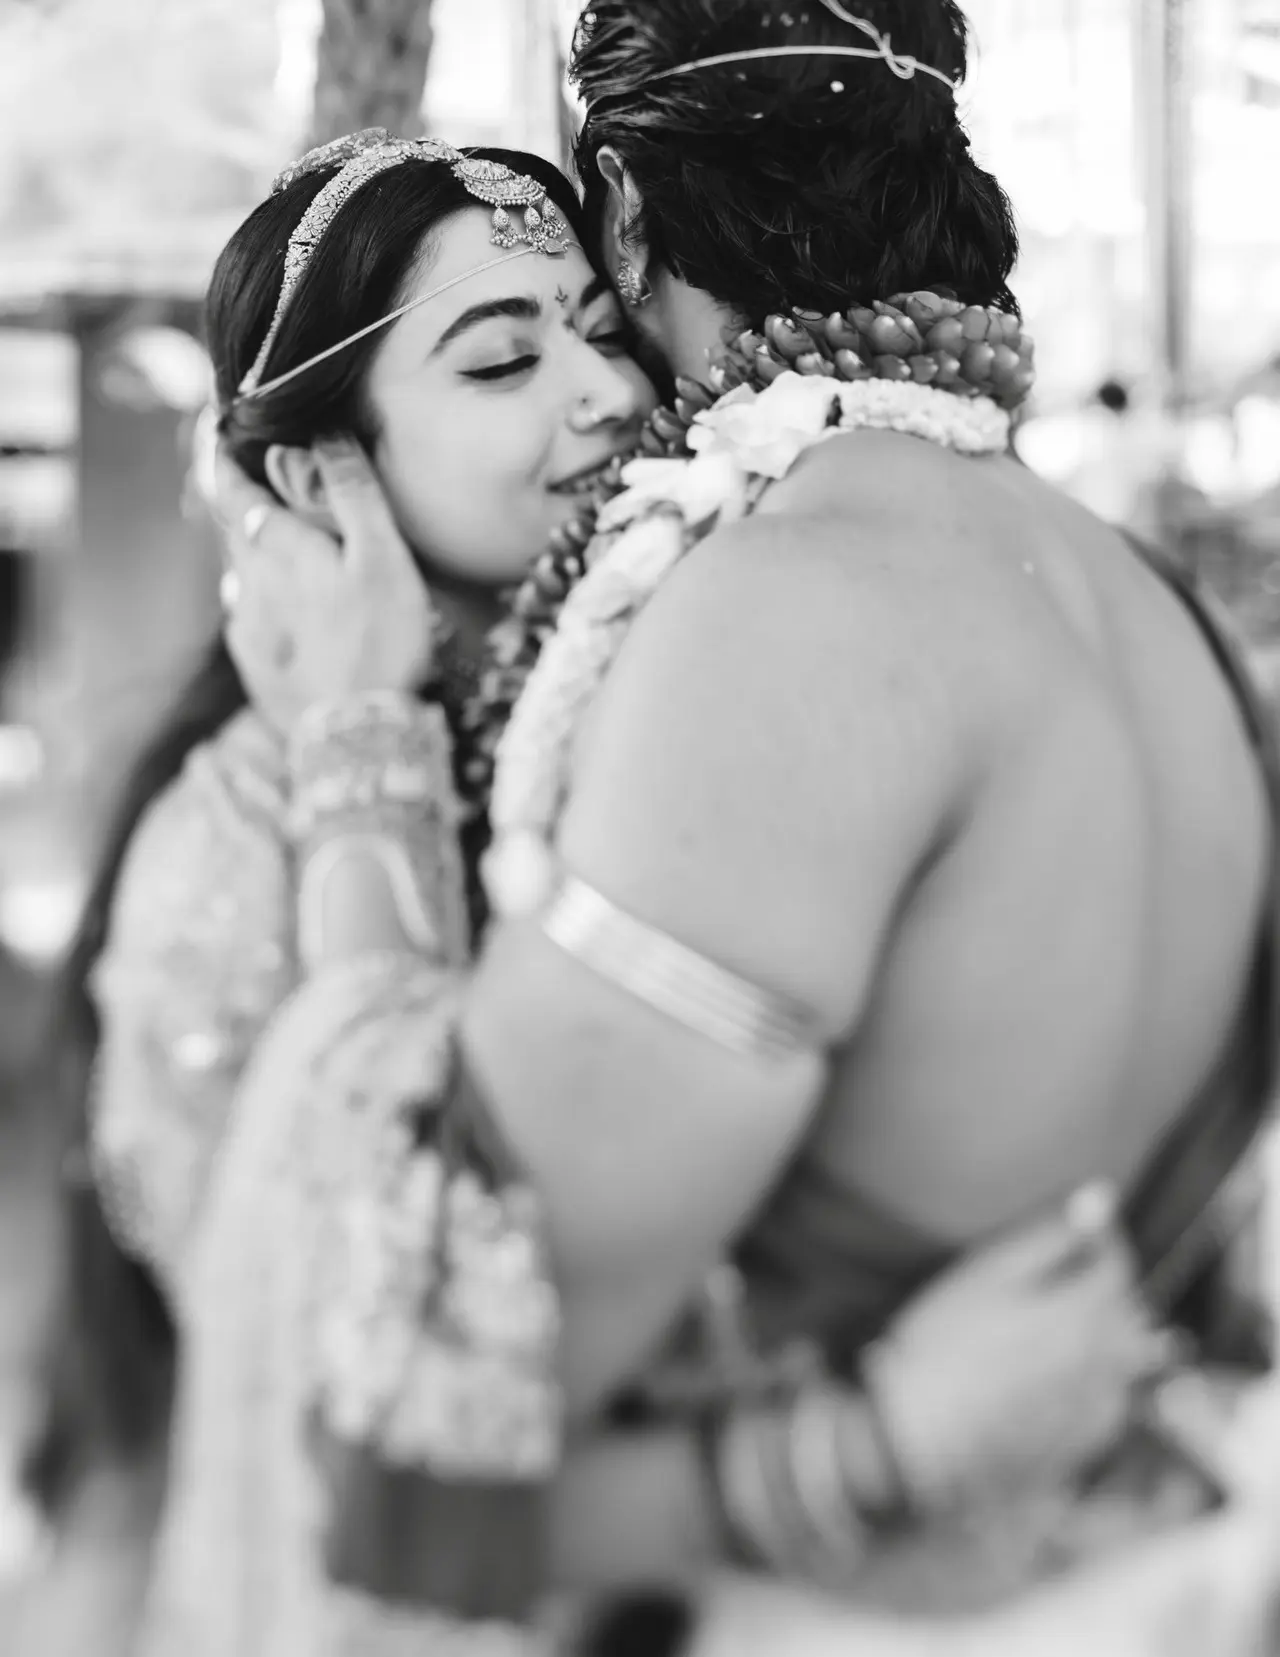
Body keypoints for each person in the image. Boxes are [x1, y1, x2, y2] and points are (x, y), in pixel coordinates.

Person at [213, 0, 1280, 1648]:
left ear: (626, 214)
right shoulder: (1140, 598)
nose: (580, 392)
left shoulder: (792, 610)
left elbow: (421, 1435)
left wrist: (856, 1453)